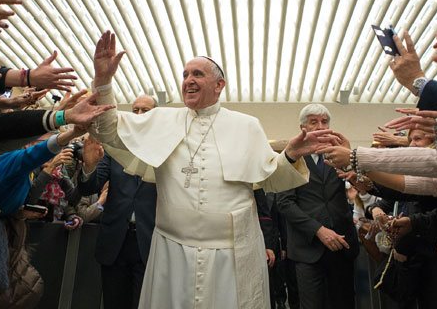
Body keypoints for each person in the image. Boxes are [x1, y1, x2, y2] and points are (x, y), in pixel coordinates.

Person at [89, 31, 340, 309]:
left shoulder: (246, 126)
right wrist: (103, 82)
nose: (188, 81)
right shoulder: (161, 119)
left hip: (231, 255)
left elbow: (271, 180)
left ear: (219, 84)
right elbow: (107, 130)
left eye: (197, 74)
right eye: (185, 75)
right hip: (173, 251)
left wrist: (291, 154)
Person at [79, 95, 158, 309]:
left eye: (145, 110)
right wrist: (89, 165)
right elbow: (88, 187)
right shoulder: (114, 149)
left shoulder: (165, 152)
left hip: (149, 244)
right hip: (115, 244)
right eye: (135, 110)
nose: (139, 115)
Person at [277, 104, 359, 309]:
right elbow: (285, 203)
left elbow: (361, 188)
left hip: (342, 245)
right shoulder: (293, 158)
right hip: (307, 248)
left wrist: (351, 163)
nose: (320, 126)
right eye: (314, 122)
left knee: (344, 303)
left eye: (324, 121)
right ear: (303, 127)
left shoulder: (341, 153)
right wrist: (319, 230)